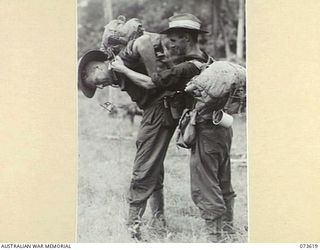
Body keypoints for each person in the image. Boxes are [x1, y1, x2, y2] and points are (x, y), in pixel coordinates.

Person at [110, 13, 236, 242]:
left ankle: (216, 239)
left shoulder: (185, 68)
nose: (170, 44)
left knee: (203, 186)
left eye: (174, 39)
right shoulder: (208, 60)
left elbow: (151, 82)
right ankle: (229, 232)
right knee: (222, 180)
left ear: (186, 38)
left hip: (204, 130)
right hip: (222, 127)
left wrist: (122, 69)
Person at [78, 18, 181, 241]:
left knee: (143, 166)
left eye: (96, 82)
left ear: (96, 67)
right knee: (153, 165)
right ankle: (159, 219)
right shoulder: (117, 72)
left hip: (160, 110)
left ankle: (132, 227)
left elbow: (143, 41)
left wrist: (154, 77)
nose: (101, 86)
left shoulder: (121, 59)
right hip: (157, 109)